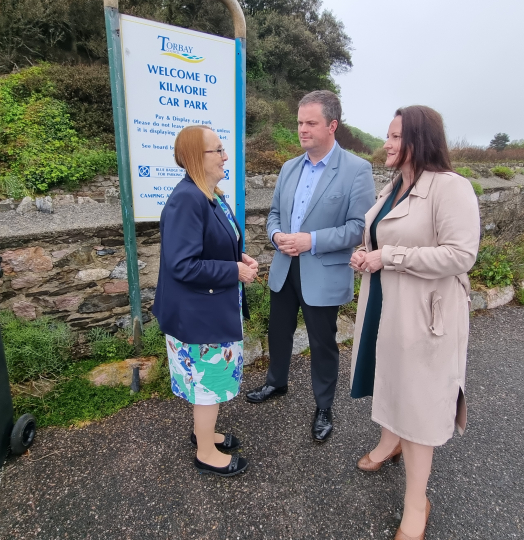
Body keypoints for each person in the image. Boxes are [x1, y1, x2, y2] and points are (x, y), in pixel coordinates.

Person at [348, 105, 480, 539]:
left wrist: (390, 257)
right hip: (385, 305)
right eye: (387, 135)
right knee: (389, 380)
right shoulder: (394, 187)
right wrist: (365, 255)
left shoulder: (450, 187)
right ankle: (390, 443)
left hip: (426, 316)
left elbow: (462, 255)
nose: (385, 144)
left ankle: (416, 503)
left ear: (419, 139)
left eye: (394, 136)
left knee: (419, 404)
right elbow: (380, 236)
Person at [246, 90, 376, 442]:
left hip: (323, 271)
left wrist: (311, 240)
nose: (302, 129)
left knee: (322, 342)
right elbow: (273, 215)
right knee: (278, 331)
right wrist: (276, 237)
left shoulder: (357, 170)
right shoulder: (289, 167)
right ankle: (276, 382)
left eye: (310, 123)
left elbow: (358, 228)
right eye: (300, 122)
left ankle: (323, 406)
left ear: (332, 125)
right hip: (285, 267)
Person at [152, 124, 259, 477]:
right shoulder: (188, 198)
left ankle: (205, 434)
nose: (226, 156)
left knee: (207, 383)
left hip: (207, 310)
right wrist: (233, 273)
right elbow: (182, 264)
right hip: (198, 318)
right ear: (198, 158)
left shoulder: (211, 193)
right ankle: (205, 452)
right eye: (218, 150)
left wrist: (239, 259)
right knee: (207, 385)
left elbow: (217, 243)